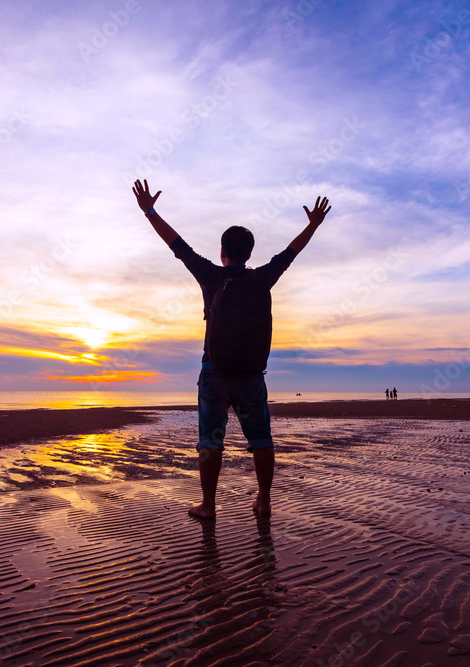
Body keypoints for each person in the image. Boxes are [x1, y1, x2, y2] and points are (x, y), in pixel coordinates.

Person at [132, 179, 330, 520]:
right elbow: (291, 253)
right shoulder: (262, 277)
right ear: (250, 253)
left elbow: (178, 245)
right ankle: (264, 501)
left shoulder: (210, 275)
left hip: (215, 373)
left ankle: (209, 506)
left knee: (211, 440)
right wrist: (312, 225)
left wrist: (150, 210)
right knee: (261, 438)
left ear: (223, 251)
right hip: (251, 374)